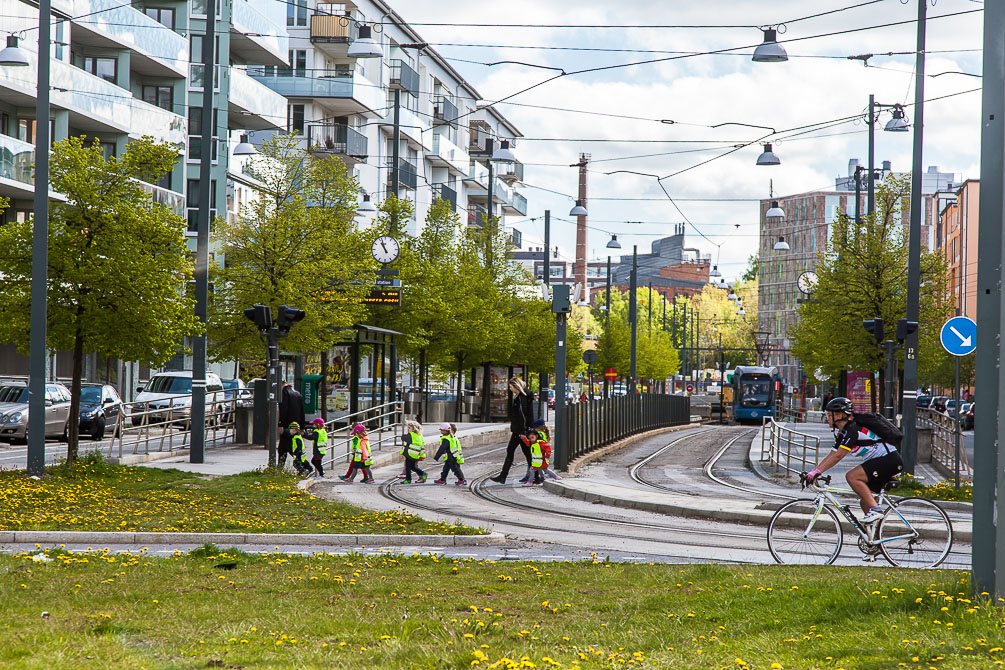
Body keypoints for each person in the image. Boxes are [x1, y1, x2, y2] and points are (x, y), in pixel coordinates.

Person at [806, 397, 903, 524]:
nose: (827, 418)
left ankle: (876, 510)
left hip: (889, 460)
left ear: (840, 415)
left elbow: (838, 456)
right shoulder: (843, 432)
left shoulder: (853, 429)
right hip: (882, 462)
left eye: (830, 415)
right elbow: (832, 454)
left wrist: (817, 472)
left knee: (852, 476)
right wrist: (813, 472)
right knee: (865, 502)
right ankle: (873, 541)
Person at [490, 376, 534, 484]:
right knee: (514, 452)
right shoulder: (522, 396)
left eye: (510, 387)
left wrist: (523, 432)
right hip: (518, 431)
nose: (510, 389)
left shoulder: (520, 398)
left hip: (520, 432)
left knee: (526, 454)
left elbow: (522, 416)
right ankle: (503, 476)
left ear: (515, 386)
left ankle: (535, 476)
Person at [278, 382, 305, 470]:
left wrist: (281, 424)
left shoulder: (285, 393)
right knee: (289, 448)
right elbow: (302, 411)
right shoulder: (297, 393)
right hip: (296, 426)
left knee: (285, 448)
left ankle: (303, 469)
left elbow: (283, 409)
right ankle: (303, 467)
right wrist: (302, 427)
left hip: (287, 426)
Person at [402, 420, 427, 484]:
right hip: (415, 454)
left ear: (414, 429)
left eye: (409, 428)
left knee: (408, 467)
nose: (408, 429)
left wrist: (405, 433)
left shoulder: (411, 435)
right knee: (413, 467)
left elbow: (403, 437)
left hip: (410, 454)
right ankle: (422, 474)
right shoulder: (419, 436)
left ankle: (408, 479)